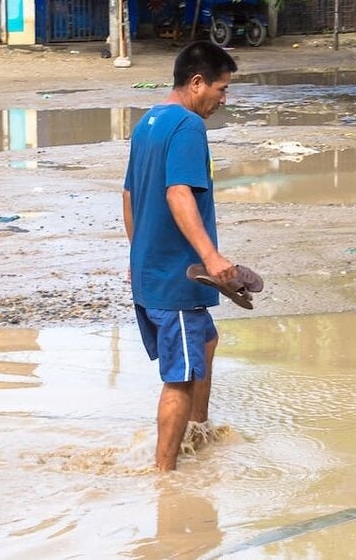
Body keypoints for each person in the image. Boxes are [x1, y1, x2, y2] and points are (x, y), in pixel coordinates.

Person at [123, 40, 241, 472]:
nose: (223, 99)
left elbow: (128, 194)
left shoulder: (149, 122)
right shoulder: (188, 127)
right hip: (175, 279)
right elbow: (177, 192)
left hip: (153, 272)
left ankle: (198, 431)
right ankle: (165, 476)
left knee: (205, 342)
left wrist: (138, 255)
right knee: (181, 377)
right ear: (197, 83)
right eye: (222, 89)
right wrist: (212, 257)